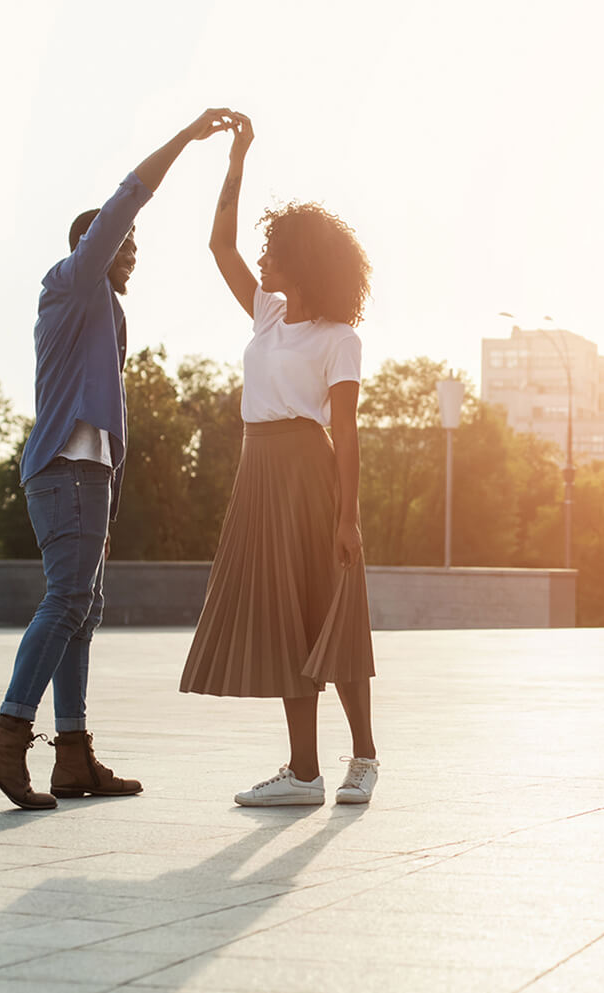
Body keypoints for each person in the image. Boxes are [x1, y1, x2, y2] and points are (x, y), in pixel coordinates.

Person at [0, 109, 234, 810]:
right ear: (95, 241)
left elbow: (108, 420)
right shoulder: (73, 281)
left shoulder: (103, 311)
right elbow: (126, 197)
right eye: (126, 240)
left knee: (84, 609)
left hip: (87, 478)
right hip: (65, 471)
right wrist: (186, 138)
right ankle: (7, 736)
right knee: (67, 601)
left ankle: (74, 754)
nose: (134, 249)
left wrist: (110, 499)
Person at [180, 112, 380, 807]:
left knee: (330, 611)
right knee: (283, 617)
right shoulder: (268, 315)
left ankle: (363, 756)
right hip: (257, 469)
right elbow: (218, 242)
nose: (263, 258)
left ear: (304, 260)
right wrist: (238, 157)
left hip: (308, 471)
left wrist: (348, 516)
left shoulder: (338, 338)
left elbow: (348, 432)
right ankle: (303, 772)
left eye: (276, 251)